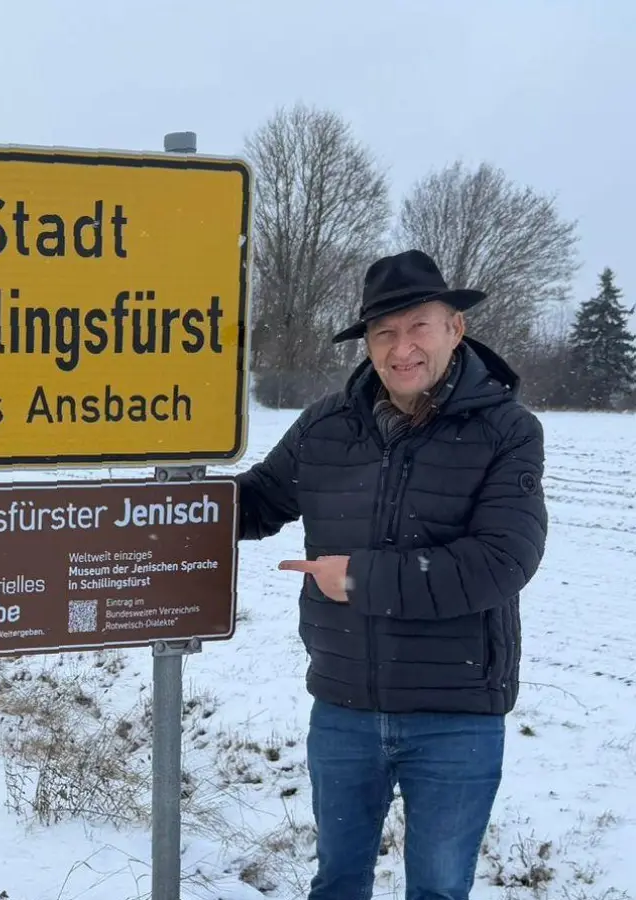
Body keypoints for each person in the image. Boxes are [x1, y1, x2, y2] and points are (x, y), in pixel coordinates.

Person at [236, 249, 548, 898]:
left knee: (438, 890)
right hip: (344, 706)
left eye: (418, 327)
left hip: (455, 715)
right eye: (384, 332)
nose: (402, 348)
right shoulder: (326, 426)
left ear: (455, 328)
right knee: (337, 885)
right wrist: (153, 509)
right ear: (367, 344)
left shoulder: (506, 430)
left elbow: (502, 561)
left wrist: (357, 579)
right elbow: (259, 501)